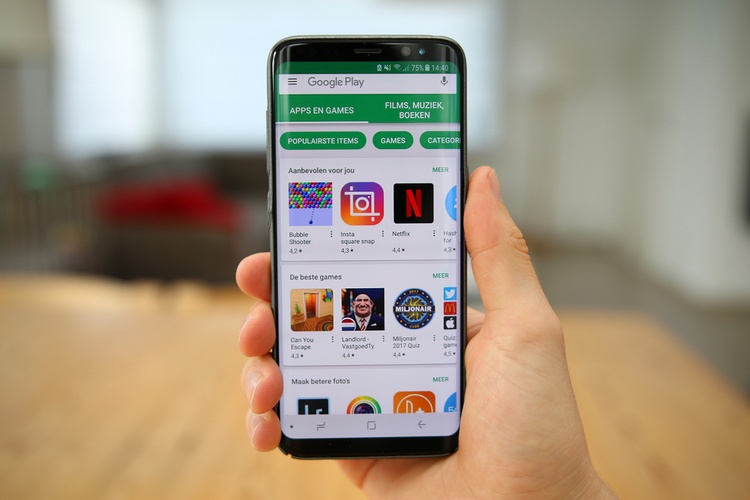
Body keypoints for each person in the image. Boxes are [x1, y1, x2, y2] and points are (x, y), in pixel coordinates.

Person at [237, 167, 616, 498]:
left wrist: (559, 493)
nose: (363, 305)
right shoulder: (338, 319)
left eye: (367, 301)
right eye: (359, 302)